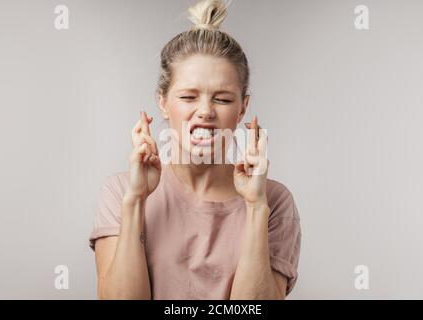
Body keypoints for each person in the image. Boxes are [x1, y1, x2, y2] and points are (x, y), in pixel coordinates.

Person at [89, 0, 301, 300]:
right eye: (188, 97)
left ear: (243, 108)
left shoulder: (274, 202)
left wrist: (255, 207)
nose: (205, 112)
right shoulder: (121, 191)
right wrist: (136, 200)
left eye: (223, 100)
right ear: (163, 101)